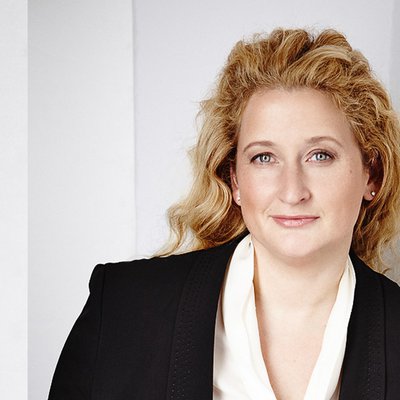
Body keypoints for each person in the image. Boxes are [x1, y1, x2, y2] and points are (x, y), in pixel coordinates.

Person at [48, 28, 400, 400]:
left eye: (320, 156)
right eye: (264, 158)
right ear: (235, 180)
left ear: (371, 175)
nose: (292, 191)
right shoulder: (123, 309)